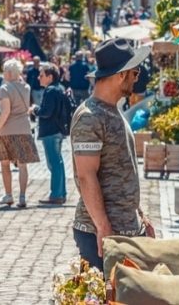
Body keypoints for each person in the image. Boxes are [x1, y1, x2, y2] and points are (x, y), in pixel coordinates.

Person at [70, 38, 155, 271]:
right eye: (135, 73)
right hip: (102, 233)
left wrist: (139, 215)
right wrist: (103, 228)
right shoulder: (90, 116)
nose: (137, 78)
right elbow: (86, 176)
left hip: (125, 229)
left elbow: (123, 169)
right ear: (121, 75)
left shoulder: (112, 111)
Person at [0, 58, 40, 208]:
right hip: (24, 128)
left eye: (5, 70)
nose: (3, 73)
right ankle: (22, 197)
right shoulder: (27, 87)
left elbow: (5, 112)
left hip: (7, 130)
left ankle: (8, 195)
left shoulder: (5, 88)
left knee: (5, 164)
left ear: (10, 73)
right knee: (23, 165)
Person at [30, 65, 67, 205]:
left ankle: (56, 194)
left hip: (51, 131)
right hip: (57, 130)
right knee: (58, 162)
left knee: (54, 163)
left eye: (41, 75)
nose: (39, 78)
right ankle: (60, 193)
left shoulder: (50, 90)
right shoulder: (59, 88)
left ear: (50, 77)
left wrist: (35, 109)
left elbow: (46, 112)